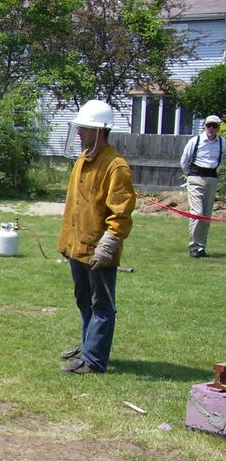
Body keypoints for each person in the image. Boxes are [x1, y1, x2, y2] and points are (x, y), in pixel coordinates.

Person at [56, 100, 136, 375]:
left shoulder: (115, 167)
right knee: (84, 301)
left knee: (101, 305)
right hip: (78, 247)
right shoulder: (83, 159)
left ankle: (94, 360)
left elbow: (121, 213)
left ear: (99, 130)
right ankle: (88, 347)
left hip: (97, 250)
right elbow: (76, 206)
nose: (79, 132)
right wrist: (67, 241)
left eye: (84, 128)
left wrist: (108, 245)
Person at [179, 114, 223, 258]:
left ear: (218, 128)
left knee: (206, 215)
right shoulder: (195, 141)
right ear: (204, 126)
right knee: (197, 213)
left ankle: (201, 247)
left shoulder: (222, 142)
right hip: (196, 178)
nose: (211, 128)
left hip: (212, 179)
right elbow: (184, 160)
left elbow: (222, 160)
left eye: (214, 126)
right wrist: (191, 175)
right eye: (209, 125)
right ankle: (194, 246)